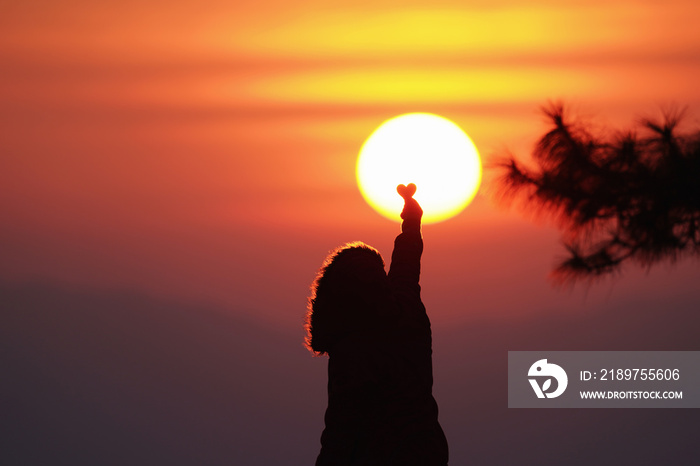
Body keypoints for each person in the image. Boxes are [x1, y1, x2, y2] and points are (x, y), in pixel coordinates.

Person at [305, 184, 448, 466]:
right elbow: (407, 265)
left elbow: (340, 433)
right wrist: (411, 222)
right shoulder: (407, 313)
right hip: (427, 453)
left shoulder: (353, 351)